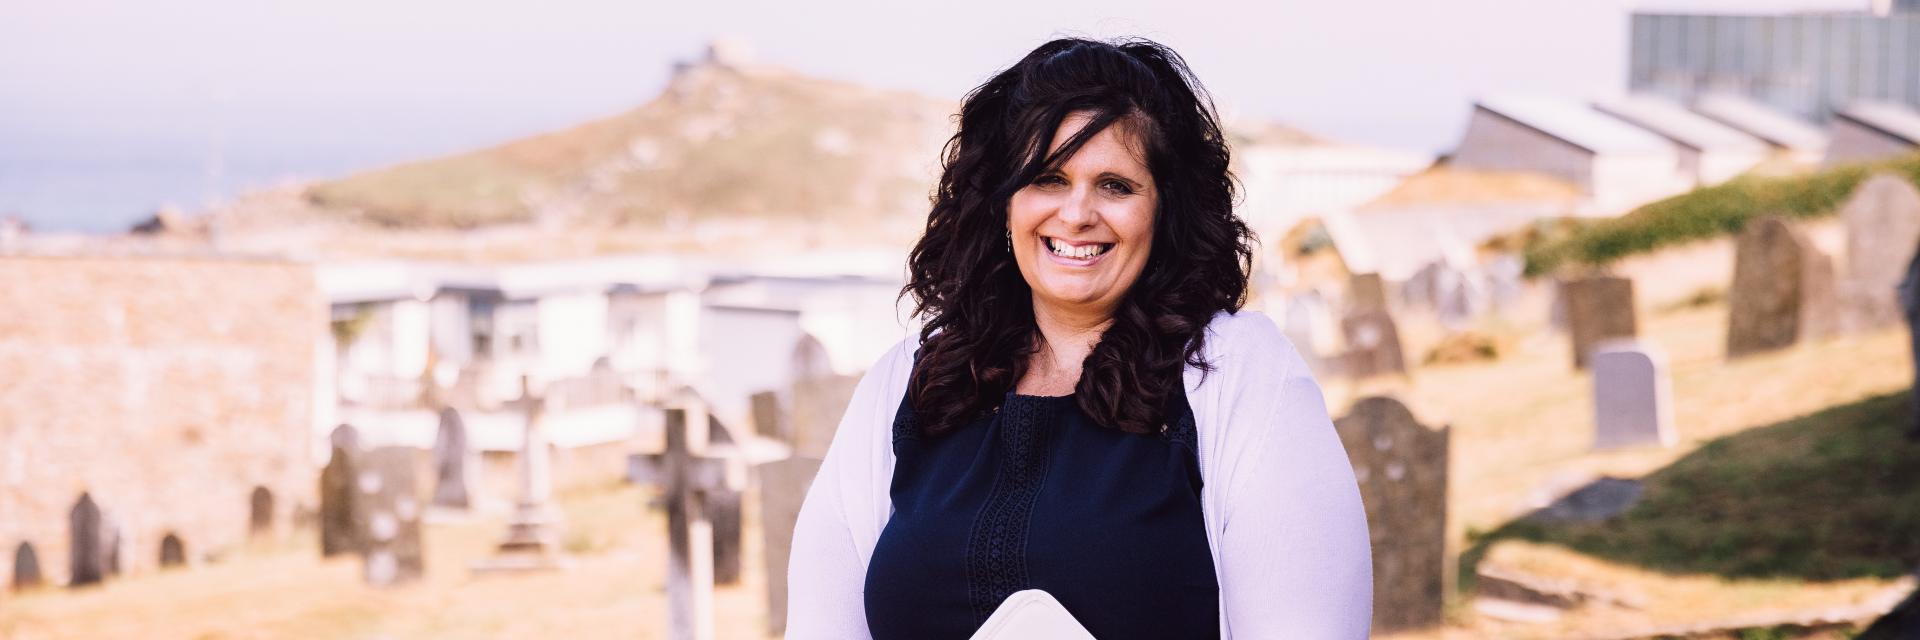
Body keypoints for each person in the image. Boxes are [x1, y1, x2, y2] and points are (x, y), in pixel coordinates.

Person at [787, 37, 1371, 639]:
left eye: (1116, 185)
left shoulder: (1238, 373)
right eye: (1046, 178)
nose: (1076, 214)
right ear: (1002, 201)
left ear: (1166, 208)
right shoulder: (910, 379)